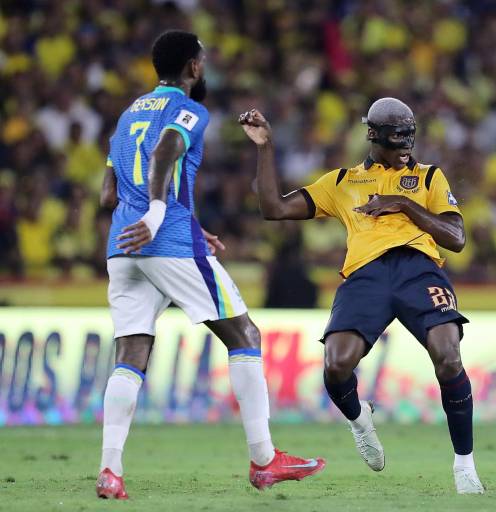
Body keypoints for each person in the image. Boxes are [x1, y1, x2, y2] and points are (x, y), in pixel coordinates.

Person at [96, 30, 325, 499]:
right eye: (203, 61)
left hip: (122, 246)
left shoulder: (127, 115)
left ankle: (110, 471)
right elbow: (165, 151)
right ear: (194, 68)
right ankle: (264, 459)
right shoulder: (189, 110)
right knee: (245, 336)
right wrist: (163, 215)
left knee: (131, 354)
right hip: (167, 241)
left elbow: (108, 192)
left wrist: (172, 217)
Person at [239, 98, 485, 494]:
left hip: (417, 269)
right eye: (397, 137)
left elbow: (456, 238)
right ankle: (360, 420)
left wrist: (403, 205)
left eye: (410, 136)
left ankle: (465, 466)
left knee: (448, 355)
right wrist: (265, 147)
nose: (406, 146)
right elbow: (273, 208)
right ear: (373, 135)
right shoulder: (341, 182)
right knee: (336, 365)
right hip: (365, 275)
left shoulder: (429, 177)